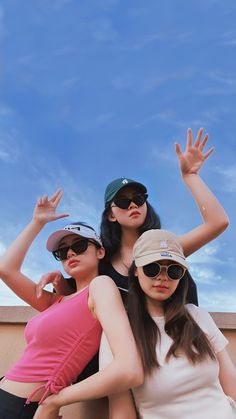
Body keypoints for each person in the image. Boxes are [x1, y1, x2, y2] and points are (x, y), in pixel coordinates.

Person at [0, 190, 143, 419]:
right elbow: (6, 270)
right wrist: (37, 223)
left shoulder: (100, 287)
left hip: (22, 408)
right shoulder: (56, 300)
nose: (70, 253)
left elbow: (130, 368)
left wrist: (56, 401)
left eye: (78, 246)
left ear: (100, 252)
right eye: (62, 252)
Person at [99, 229, 236, 419]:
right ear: (136, 270)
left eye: (173, 270)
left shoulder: (197, 316)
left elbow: (231, 384)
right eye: (152, 268)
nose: (163, 277)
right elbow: (120, 409)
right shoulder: (120, 331)